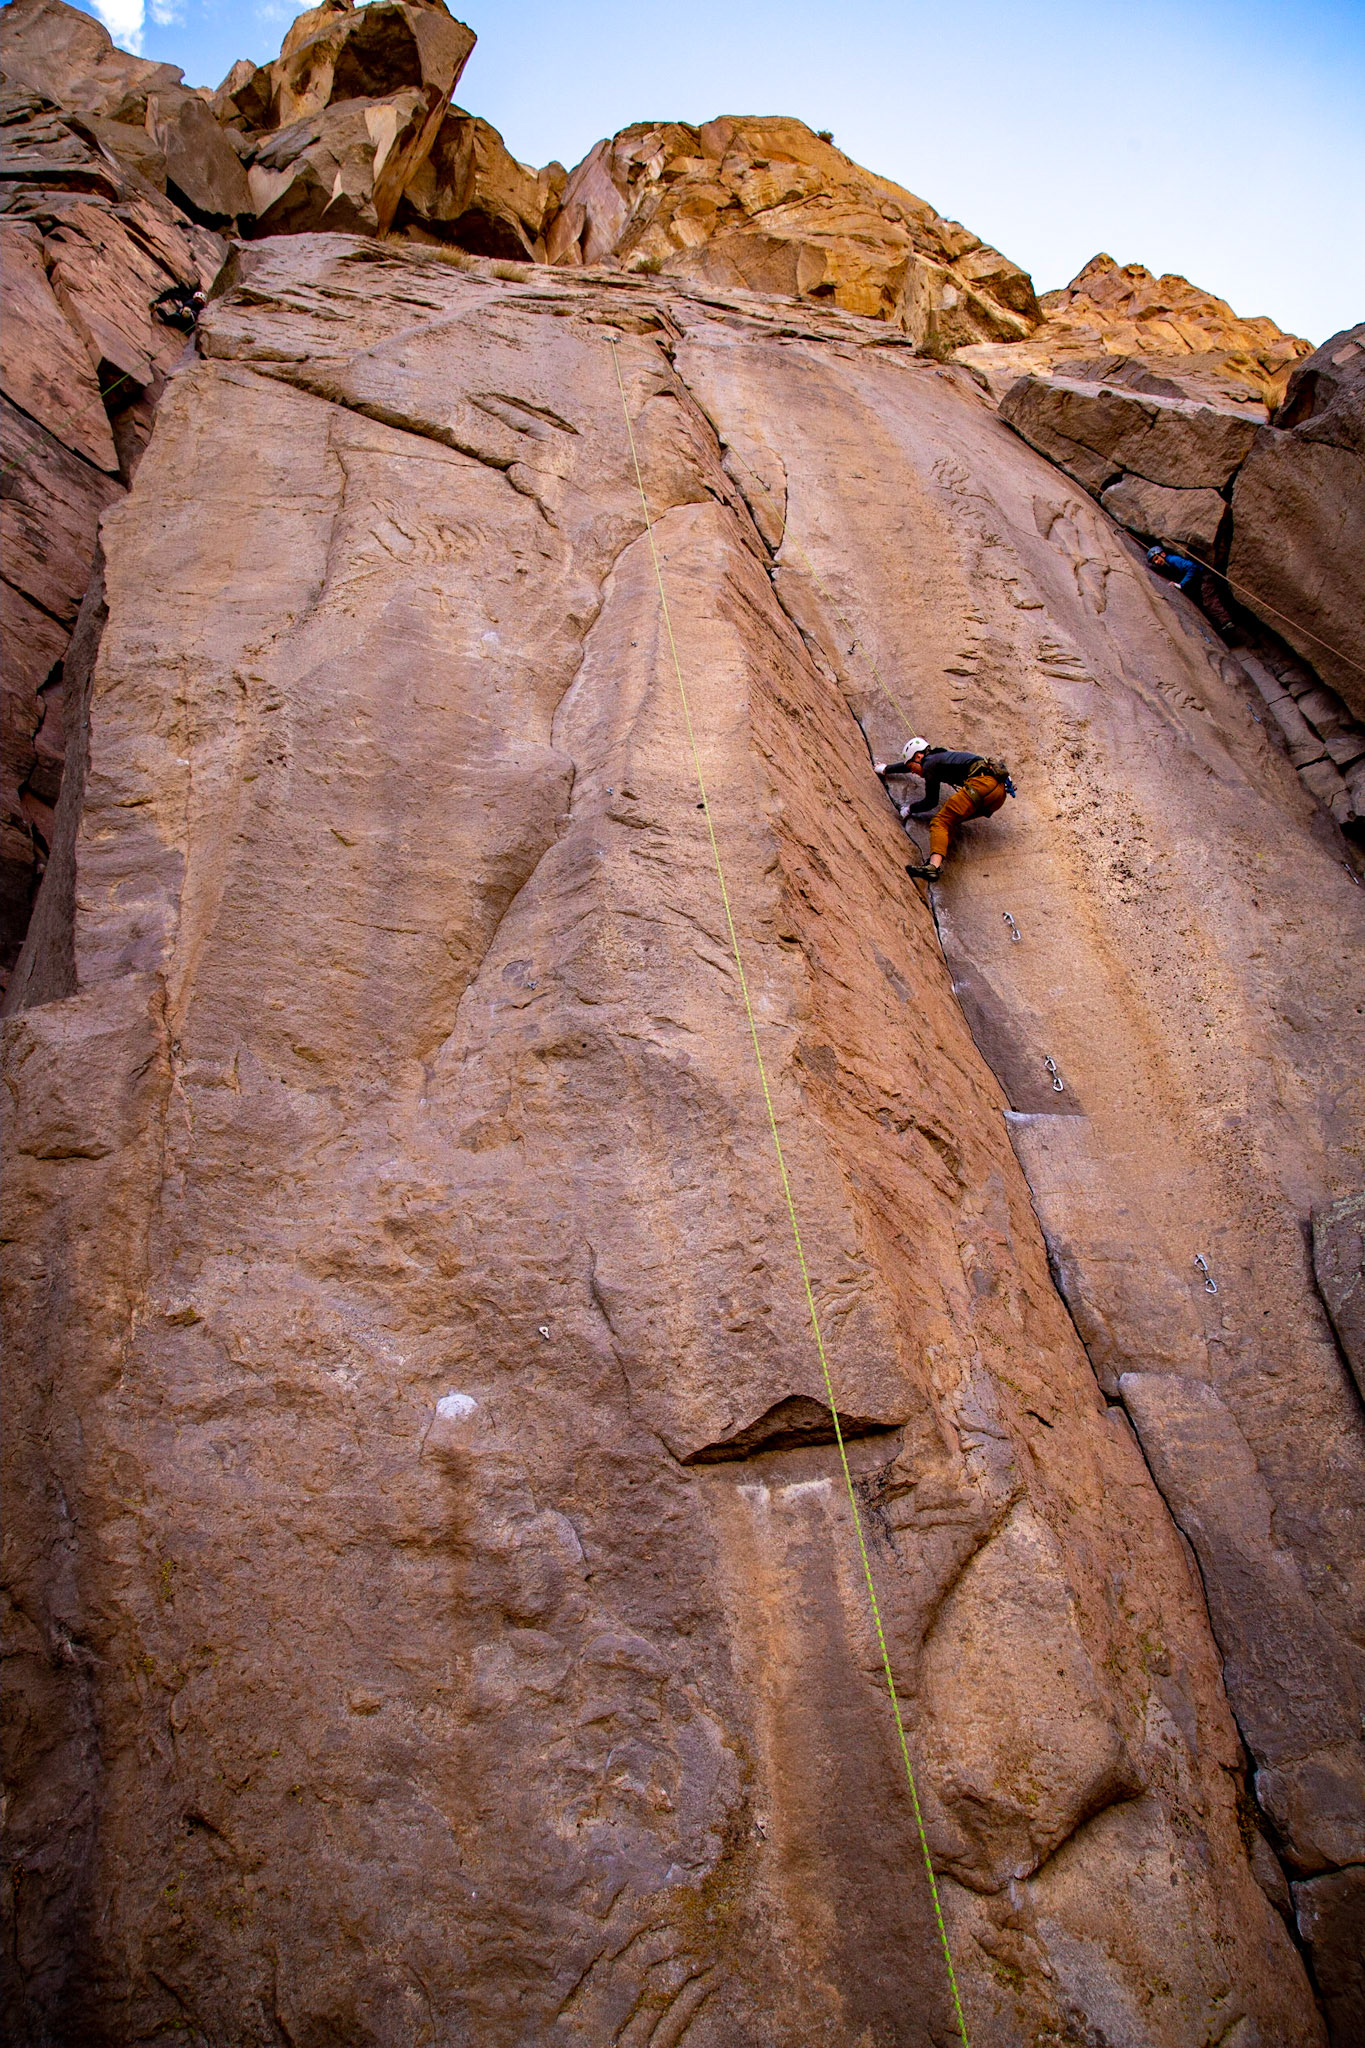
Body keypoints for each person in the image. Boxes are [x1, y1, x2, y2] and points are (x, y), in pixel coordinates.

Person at [874, 738, 1015, 881]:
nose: (913, 772)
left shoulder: (929, 764)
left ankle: (932, 867)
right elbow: (910, 766)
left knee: (940, 822)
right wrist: (887, 769)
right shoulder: (939, 759)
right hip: (998, 796)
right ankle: (936, 860)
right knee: (949, 823)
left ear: (918, 756)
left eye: (912, 768)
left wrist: (910, 809)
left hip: (982, 785)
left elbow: (931, 801)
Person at [1146, 544, 1239, 642]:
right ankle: (1223, 624)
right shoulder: (1168, 563)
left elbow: (1191, 567)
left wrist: (1181, 584)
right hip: (1200, 577)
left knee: (1208, 600)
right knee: (1203, 600)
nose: (1156, 562)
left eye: (1156, 558)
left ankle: (1226, 621)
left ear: (1163, 554)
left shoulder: (1173, 560)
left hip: (1204, 575)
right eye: (1154, 561)